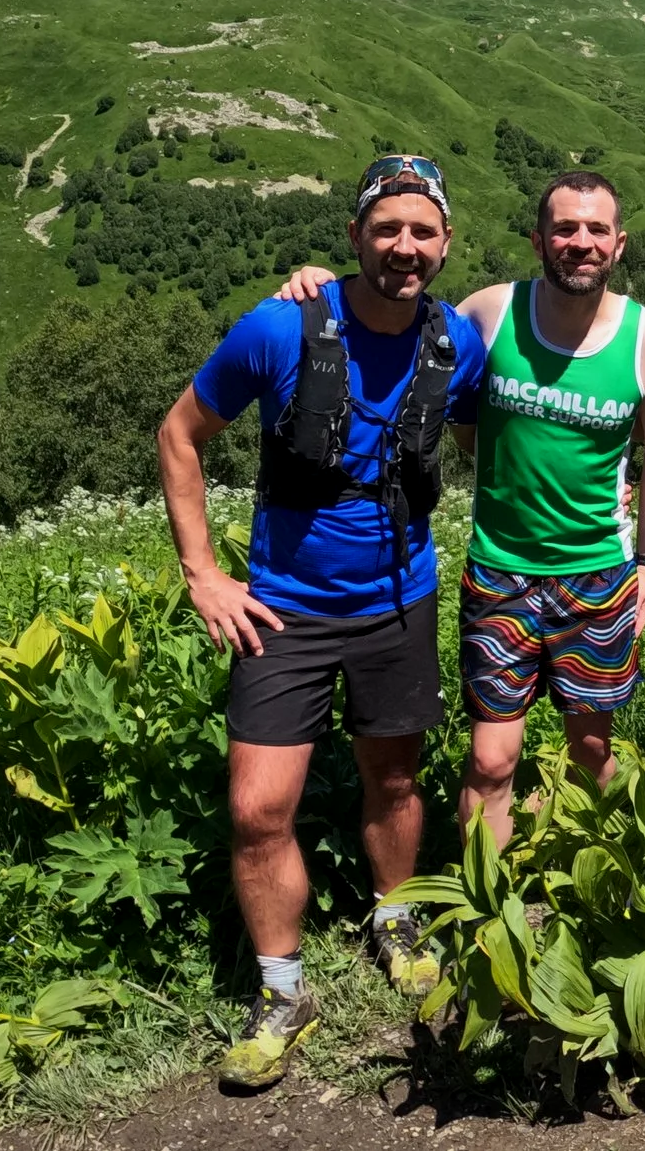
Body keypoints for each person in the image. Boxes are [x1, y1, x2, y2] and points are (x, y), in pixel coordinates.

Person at [156, 155, 488, 1093]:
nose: (405, 247)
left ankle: (394, 918)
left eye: (423, 231)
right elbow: (179, 435)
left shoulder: (454, 341)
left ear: (446, 243)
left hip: (401, 600)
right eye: (387, 228)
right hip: (283, 608)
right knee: (260, 808)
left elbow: (483, 432)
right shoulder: (281, 326)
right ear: (355, 238)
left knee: (395, 779)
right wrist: (203, 573)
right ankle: (282, 988)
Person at [274, 170, 645, 841]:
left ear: (620, 242)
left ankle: (598, 892)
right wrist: (317, 284)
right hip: (499, 572)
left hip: (599, 575)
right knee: (491, 761)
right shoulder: (489, 312)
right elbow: (400, 325)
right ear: (538, 239)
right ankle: (489, 910)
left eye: (596, 229)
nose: (581, 242)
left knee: (593, 753)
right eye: (565, 229)